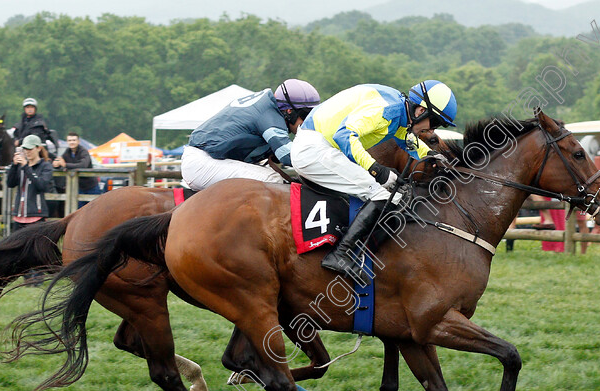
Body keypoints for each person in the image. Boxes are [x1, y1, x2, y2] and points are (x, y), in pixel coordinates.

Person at [291, 80, 456, 283]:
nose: (432, 131)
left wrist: (430, 154)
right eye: (435, 122)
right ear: (421, 110)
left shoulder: (398, 110)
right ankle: (340, 255)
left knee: (394, 192)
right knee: (381, 194)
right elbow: (345, 135)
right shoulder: (386, 110)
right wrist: (376, 170)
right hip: (314, 150)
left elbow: (404, 138)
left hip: (323, 147)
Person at [181, 79, 320, 190]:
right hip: (203, 163)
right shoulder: (269, 117)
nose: (307, 122)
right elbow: (288, 156)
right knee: (274, 181)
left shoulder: (268, 105)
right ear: (289, 111)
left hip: (205, 159)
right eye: (306, 115)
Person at [8, 135, 53, 231]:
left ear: (38, 148)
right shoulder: (21, 166)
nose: (27, 152)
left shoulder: (46, 166)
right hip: (19, 215)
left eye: (30, 149)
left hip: (36, 215)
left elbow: (41, 185)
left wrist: (26, 167)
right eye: (25, 149)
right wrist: (14, 166)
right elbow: (10, 184)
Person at [53, 132, 99, 207]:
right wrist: (56, 164)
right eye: (70, 140)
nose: (72, 142)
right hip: (78, 187)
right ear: (67, 142)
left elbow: (83, 165)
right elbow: (61, 161)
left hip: (91, 186)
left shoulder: (83, 151)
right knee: (80, 211)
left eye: (74, 140)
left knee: (94, 209)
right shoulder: (68, 152)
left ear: (78, 141)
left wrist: (65, 165)